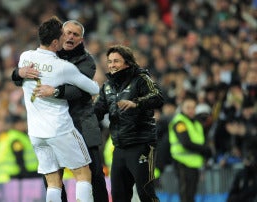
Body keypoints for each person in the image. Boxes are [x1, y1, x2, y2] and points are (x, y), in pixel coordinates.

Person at [12, 19, 108, 202]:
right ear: (58, 38)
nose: (70, 37)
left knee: (91, 175)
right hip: (61, 127)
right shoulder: (62, 65)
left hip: (77, 123)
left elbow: (78, 91)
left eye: (75, 34)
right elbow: (93, 88)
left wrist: (55, 91)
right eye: (67, 33)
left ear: (81, 39)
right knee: (79, 174)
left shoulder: (85, 61)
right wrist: (19, 73)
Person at [94, 45, 164, 202]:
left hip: (142, 145)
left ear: (127, 63)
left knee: (146, 193)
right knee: (119, 196)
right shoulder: (107, 87)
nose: (112, 65)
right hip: (119, 148)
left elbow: (158, 97)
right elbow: (97, 111)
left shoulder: (141, 79)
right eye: (110, 61)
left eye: (116, 61)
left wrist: (136, 103)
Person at [168, 92, 212, 202]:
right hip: (182, 163)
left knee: (191, 196)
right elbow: (186, 143)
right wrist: (205, 150)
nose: (191, 110)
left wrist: (205, 154)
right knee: (186, 196)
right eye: (188, 107)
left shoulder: (196, 123)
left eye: (193, 107)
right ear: (182, 108)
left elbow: (202, 141)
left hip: (194, 164)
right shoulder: (180, 122)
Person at [0, 115, 39, 184]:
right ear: (16, 124)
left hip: (2, 176)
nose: (24, 125)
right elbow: (19, 156)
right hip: (17, 175)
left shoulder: (7, 136)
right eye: (21, 123)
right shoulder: (17, 138)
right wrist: (24, 173)